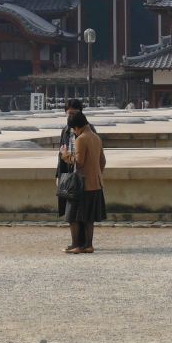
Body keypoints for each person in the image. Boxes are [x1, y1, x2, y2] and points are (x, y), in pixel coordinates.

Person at [62, 111, 106, 253]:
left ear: (77, 127)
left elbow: (79, 162)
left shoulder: (81, 139)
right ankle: (88, 245)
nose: (74, 131)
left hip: (82, 184)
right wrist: (96, 173)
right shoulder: (96, 137)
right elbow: (102, 161)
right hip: (96, 182)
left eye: (73, 128)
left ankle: (76, 245)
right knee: (89, 218)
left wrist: (66, 156)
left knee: (72, 215)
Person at [55, 99, 92, 218]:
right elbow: (61, 154)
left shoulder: (88, 130)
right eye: (69, 113)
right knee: (70, 212)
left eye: (74, 113)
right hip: (68, 174)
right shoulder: (65, 131)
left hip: (83, 174)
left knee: (84, 214)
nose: (71, 116)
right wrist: (58, 175)